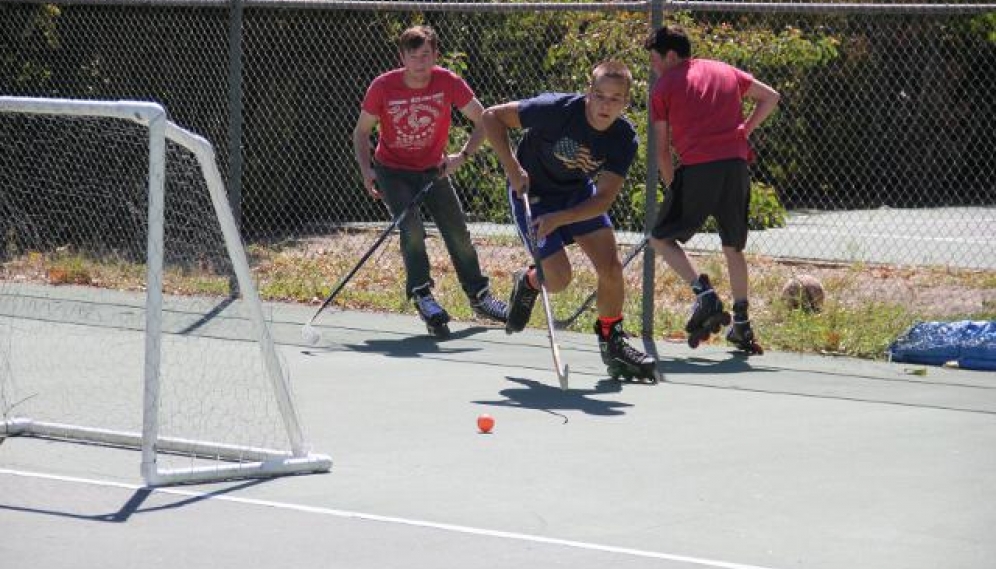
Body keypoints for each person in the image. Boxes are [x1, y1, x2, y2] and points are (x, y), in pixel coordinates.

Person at [481, 60, 657, 381]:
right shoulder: (555, 109)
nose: (606, 105)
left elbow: (603, 198)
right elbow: (491, 116)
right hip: (531, 194)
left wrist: (562, 218)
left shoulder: (623, 137)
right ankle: (530, 280)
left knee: (611, 268)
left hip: (576, 196)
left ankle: (612, 340)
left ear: (626, 102)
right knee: (560, 280)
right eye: (600, 95)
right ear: (588, 93)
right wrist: (512, 168)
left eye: (615, 98)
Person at [352, 25, 508, 337]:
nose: (420, 62)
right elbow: (362, 132)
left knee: (457, 232)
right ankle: (423, 295)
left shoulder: (447, 81)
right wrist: (367, 170)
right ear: (402, 58)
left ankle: (479, 297)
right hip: (392, 170)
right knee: (410, 228)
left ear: (436, 56)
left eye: (426, 55)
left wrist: (461, 156)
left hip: (433, 170)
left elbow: (486, 119)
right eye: (413, 55)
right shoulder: (383, 87)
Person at [644, 25, 780, 353]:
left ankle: (704, 294)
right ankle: (742, 325)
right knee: (733, 247)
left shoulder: (663, 87)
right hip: (736, 166)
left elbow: (662, 149)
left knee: (659, 238)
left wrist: (671, 184)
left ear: (671, 56)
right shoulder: (724, 70)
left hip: (699, 169)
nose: (653, 67)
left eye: (655, 59)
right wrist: (743, 131)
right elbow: (771, 97)